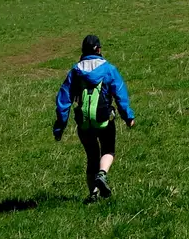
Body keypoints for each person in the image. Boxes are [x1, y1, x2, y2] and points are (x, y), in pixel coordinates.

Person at [54, 34, 135, 202]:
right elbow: (120, 93)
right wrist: (128, 117)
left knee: (92, 157)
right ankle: (102, 174)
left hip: (84, 124)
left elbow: (63, 100)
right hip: (104, 120)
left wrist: (59, 127)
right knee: (108, 150)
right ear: (99, 49)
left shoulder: (75, 71)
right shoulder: (108, 69)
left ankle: (93, 195)